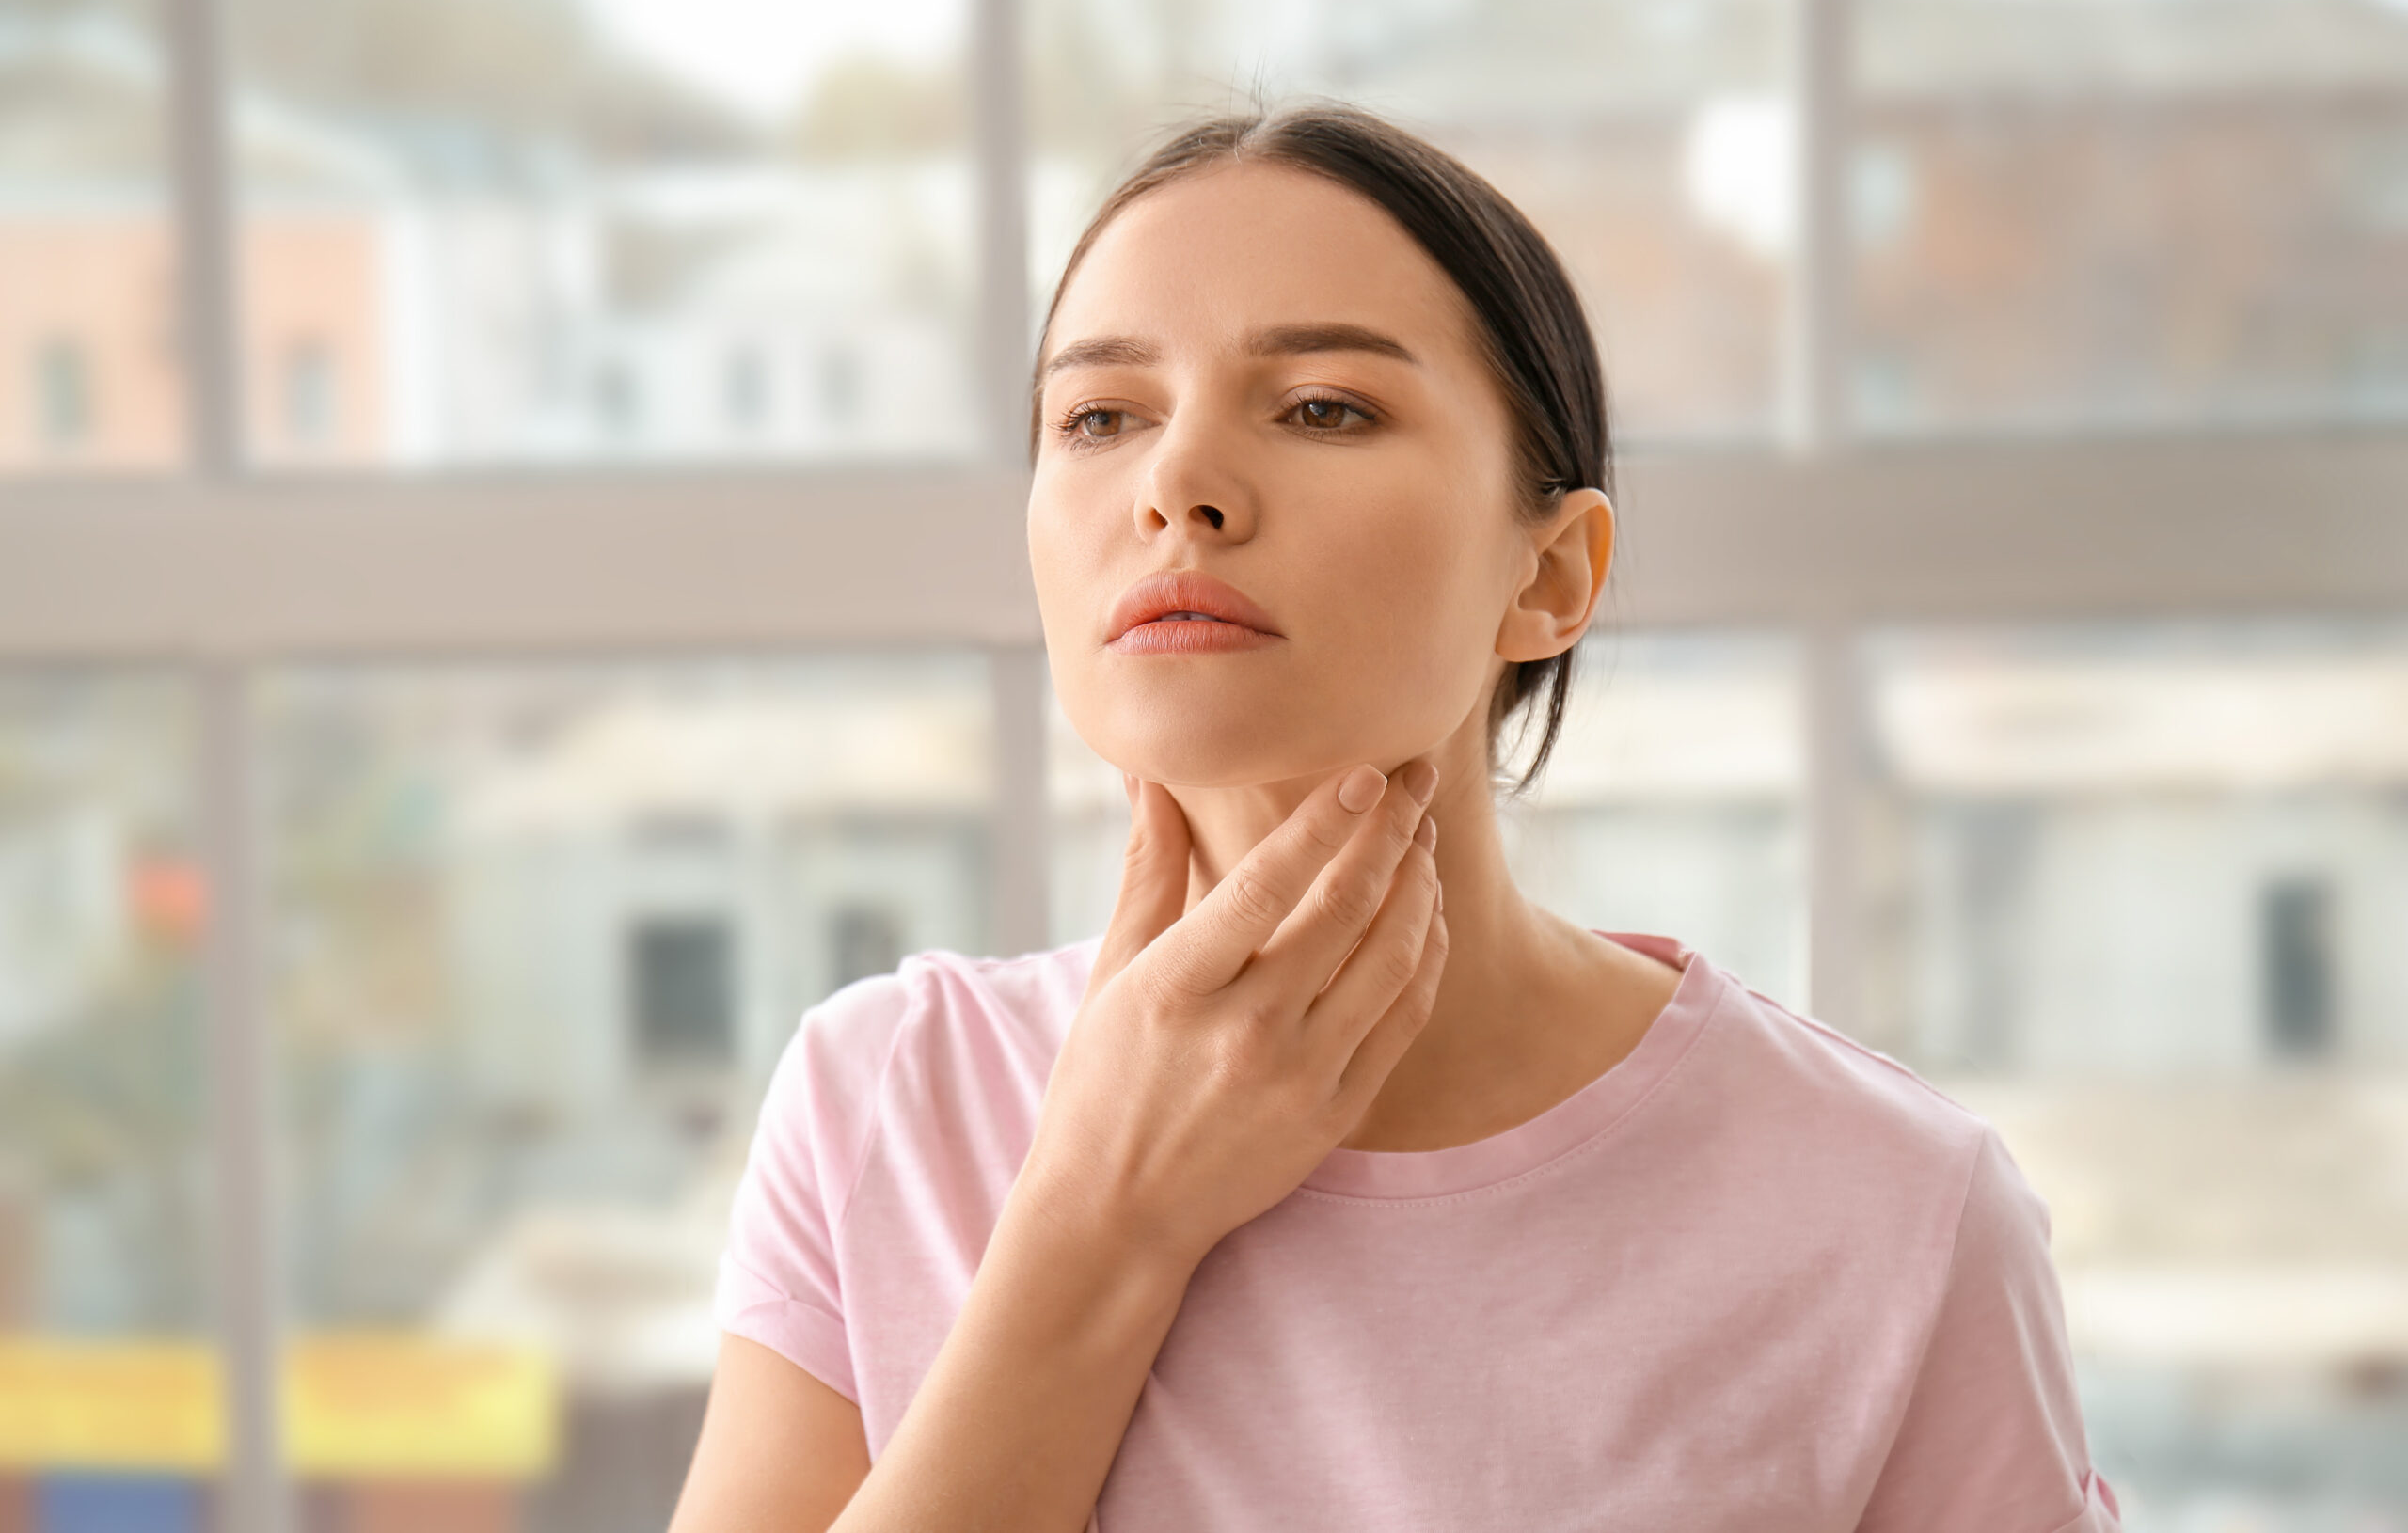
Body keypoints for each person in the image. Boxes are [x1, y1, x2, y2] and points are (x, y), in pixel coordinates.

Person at [668, 103, 2124, 1532]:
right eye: (1101, 416)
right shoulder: (884, 1105)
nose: (1177, 485)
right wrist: (1097, 1224)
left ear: (1550, 575)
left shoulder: (1891, 1211)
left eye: (1324, 408)